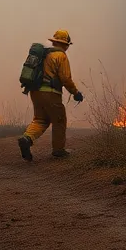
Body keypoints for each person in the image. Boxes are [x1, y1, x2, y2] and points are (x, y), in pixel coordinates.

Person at [18, 29, 83, 161]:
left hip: (35, 92)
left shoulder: (44, 54)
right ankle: (58, 150)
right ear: (65, 44)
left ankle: (27, 138)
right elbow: (65, 78)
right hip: (51, 93)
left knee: (41, 119)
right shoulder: (61, 56)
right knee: (59, 120)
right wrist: (75, 93)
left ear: (54, 42)